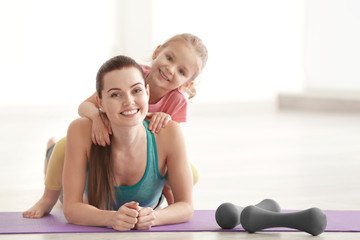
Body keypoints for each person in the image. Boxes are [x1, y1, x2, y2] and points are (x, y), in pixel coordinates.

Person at [23, 33, 208, 219]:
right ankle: (47, 195)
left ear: (187, 83)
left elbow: (170, 147)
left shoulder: (177, 101)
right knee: (62, 147)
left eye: (181, 71)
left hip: (143, 150)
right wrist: (97, 117)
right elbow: (84, 106)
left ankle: (164, 199)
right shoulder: (132, 74)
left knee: (190, 171)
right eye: (169, 58)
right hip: (109, 137)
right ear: (157, 52)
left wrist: (169, 210)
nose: (170, 69)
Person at [70, 55, 194, 230]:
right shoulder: (80, 130)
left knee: (191, 172)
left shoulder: (169, 132)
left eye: (136, 91)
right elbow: (72, 209)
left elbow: (186, 206)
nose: (128, 101)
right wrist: (111, 219)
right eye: (115, 94)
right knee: (57, 153)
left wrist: (155, 217)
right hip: (80, 193)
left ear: (147, 93)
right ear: (100, 103)